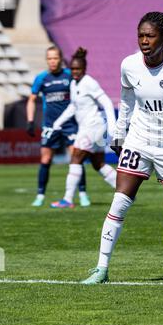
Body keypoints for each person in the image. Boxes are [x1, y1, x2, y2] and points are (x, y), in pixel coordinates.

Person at [81, 11, 163, 285]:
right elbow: (126, 101)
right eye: (140, 35)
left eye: (150, 36)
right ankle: (101, 269)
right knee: (119, 203)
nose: (144, 40)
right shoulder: (129, 65)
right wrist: (119, 133)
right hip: (138, 141)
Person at [50, 47, 117, 208]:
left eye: (78, 69)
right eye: (72, 68)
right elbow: (73, 107)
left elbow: (107, 103)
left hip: (92, 127)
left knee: (75, 158)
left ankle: (67, 199)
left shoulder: (89, 83)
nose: (75, 71)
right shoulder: (74, 84)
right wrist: (57, 123)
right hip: (91, 128)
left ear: (84, 69)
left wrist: (113, 127)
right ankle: (126, 193)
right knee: (98, 163)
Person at [26, 45, 90, 207]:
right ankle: (40, 195)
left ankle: (82, 194)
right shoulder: (41, 78)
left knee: (76, 158)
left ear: (60, 59)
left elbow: (84, 89)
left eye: (55, 58)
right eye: (49, 58)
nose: (52, 61)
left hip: (69, 124)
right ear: (46, 60)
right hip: (50, 125)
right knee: (46, 159)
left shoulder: (69, 75)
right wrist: (30, 121)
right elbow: (31, 100)